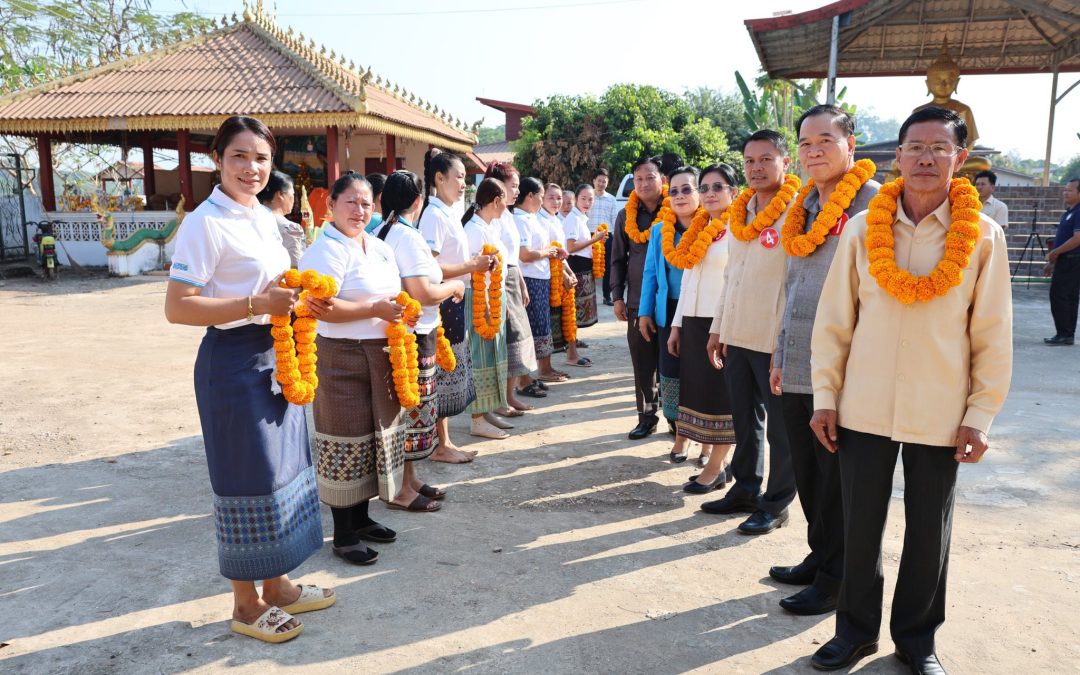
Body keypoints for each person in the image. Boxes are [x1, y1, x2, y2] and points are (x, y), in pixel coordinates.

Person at [808, 107, 1012, 673]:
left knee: (929, 530)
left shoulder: (983, 237)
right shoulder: (860, 228)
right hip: (863, 406)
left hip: (941, 410)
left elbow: (992, 335)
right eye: (914, 147)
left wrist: (981, 414)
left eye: (938, 149)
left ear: (959, 159)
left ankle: (918, 640)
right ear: (897, 156)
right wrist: (825, 397)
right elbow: (834, 323)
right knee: (859, 526)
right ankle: (853, 632)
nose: (925, 158)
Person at [165, 115, 333, 644]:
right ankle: (244, 602)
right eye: (239, 156)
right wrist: (254, 304)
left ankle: (277, 584)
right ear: (218, 160)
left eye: (261, 158)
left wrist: (303, 302)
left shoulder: (264, 217)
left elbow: (274, 287)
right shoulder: (204, 222)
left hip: (276, 356)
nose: (252, 168)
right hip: (233, 362)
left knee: (281, 472)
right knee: (245, 479)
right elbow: (178, 307)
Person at [767, 105, 880, 618]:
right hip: (796, 357)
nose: (814, 151)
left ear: (850, 145)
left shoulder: (874, 205)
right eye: (806, 143)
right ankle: (821, 556)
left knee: (837, 477)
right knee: (809, 472)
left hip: (845, 366)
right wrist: (778, 349)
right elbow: (791, 288)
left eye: (825, 140)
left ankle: (837, 579)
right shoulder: (802, 207)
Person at [299, 172, 412, 564]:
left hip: (382, 350)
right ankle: (343, 534)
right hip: (341, 354)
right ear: (330, 206)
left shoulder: (378, 246)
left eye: (366, 203)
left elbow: (393, 293)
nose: (360, 210)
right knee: (343, 439)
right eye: (351, 202)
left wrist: (400, 312)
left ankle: (362, 519)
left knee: (372, 437)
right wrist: (375, 310)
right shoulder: (325, 250)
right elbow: (324, 307)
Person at [701, 129, 798, 536]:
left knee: (781, 429)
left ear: (785, 163)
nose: (757, 168)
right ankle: (744, 488)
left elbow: (795, 283)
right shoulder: (739, 213)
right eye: (750, 161)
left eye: (766, 159)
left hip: (773, 339)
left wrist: (786, 342)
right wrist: (717, 328)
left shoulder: (797, 210)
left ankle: (776, 504)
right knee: (744, 419)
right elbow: (732, 277)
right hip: (737, 334)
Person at [375, 170, 466, 510]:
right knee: (410, 411)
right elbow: (423, 292)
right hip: (413, 333)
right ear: (419, 200)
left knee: (411, 409)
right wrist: (455, 287)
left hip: (409, 330)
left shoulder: (386, 229)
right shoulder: (408, 237)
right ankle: (401, 490)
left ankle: (410, 479)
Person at [419, 151, 493, 460]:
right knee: (443, 371)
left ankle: (445, 441)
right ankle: (441, 444)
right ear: (439, 178)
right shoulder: (434, 215)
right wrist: (471, 265)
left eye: (465, 177)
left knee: (451, 370)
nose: (464, 183)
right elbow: (430, 268)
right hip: (443, 301)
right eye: (459, 176)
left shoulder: (448, 212)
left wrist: (471, 267)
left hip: (455, 297)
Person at [668, 163, 739, 485]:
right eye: (706, 187)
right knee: (700, 394)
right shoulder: (698, 228)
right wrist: (677, 324)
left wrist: (723, 325)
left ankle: (717, 468)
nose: (710, 194)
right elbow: (688, 280)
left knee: (721, 396)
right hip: (694, 323)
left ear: (733, 192)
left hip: (720, 323)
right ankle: (711, 456)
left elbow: (736, 282)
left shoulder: (740, 229)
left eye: (718, 187)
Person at [639, 167, 698, 463]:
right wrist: (644, 312)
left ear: (699, 193)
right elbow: (650, 273)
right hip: (668, 310)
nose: (680, 196)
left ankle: (711, 445)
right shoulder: (660, 230)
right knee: (671, 374)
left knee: (702, 377)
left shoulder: (712, 226)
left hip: (702, 313)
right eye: (673, 191)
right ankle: (681, 436)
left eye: (687, 189)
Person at [611, 156, 665, 440]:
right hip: (636, 300)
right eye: (638, 179)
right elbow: (617, 259)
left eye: (649, 177)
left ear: (662, 180)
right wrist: (617, 296)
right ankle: (646, 417)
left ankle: (677, 419)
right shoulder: (625, 216)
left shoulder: (675, 210)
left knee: (671, 363)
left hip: (670, 300)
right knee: (643, 363)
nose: (643, 184)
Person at [485, 162, 538, 420]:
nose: (516, 191)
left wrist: (521, 281)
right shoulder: (492, 217)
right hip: (498, 281)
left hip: (512, 277)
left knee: (516, 338)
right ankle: (499, 399)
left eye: (517, 186)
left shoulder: (508, 214)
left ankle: (510, 394)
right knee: (506, 340)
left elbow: (513, 255)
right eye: (513, 185)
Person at [462, 178, 514, 439]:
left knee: (494, 354)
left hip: (494, 296)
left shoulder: (490, 226)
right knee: (480, 355)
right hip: (479, 298)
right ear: (495, 201)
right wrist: (486, 305)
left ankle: (488, 409)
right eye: (505, 197)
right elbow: (474, 270)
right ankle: (477, 418)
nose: (507, 203)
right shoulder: (474, 230)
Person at [514, 177, 568, 390]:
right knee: (532, 328)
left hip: (541, 276)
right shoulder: (520, 220)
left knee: (542, 325)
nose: (544, 200)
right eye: (541, 196)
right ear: (530, 196)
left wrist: (553, 253)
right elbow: (525, 255)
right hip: (530, 277)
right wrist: (547, 252)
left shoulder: (532, 217)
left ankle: (544, 368)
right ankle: (527, 376)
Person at [563, 183, 609, 364]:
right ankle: (571, 355)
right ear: (576, 199)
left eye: (591, 199)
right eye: (583, 198)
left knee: (576, 314)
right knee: (572, 313)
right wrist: (594, 240)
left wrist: (596, 241)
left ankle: (573, 353)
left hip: (584, 267)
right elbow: (571, 247)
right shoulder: (573, 219)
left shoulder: (581, 217)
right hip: (576, 268)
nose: (587, 202)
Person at [540, 183, 580, 362]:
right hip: (549, 276)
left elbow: (562, 254)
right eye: (551, 197)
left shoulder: (556, 219)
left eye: (559, 198)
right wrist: (564, 275)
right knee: (550, 321)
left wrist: (570, 273)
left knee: (567, 317)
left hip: (561, 273)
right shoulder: (540, 220)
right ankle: (545, 367)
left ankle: (571, 354)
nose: (556, 202)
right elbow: (550, 253)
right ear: (541, 199)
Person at [1044, 177, 1080, 345]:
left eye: (1070, 190)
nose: (1065, 192)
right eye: (1065, 189)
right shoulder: (1069, 212)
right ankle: (1066, 334)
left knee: (1060, 296)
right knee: (1068, 297)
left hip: (1072, 259)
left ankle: (1064, 333)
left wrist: (1056, 252)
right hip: (1066, 259)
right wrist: (1053, 261)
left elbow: (1077, 239)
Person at [257, 170, 304, 268]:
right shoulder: (289, 228)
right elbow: (296, 267)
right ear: (280, 195)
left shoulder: (249, 217)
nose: (294, 199)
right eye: (293, 194)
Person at [587, 168, 619, 305]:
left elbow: (615, 219)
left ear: (607, 182)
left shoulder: (612, 199)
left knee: (607, 267)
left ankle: (607, 296)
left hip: (607, 237)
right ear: (594, 181)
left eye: (604, 181)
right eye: (599, 180)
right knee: (587, 267)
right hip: (589, 237)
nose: (601, 183)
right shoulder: (587, 197)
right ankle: (587, 296)